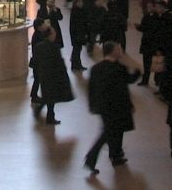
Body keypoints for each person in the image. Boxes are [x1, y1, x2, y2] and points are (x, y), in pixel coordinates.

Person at [83, 40, 142, 174]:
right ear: (113, 51)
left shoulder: (96, 68)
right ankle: (91, 159)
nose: (121, 50)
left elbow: (91, 89)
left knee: (113, 131)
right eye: (119, 48)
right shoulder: (119, 68)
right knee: (108, 133)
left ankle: (115, 155)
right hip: (118, 107)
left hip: (103, 108)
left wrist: (93, 105)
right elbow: (128, 82)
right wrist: (138, 71)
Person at [30, 24, 74, 124]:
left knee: (47, 96)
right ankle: (49, 117)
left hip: (43, 75)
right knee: (50, 97)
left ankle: (44, 113)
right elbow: (59, 63)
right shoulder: (54, 47)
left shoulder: (38, 47)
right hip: (53, 75)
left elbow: (35, 61)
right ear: (50, 35)